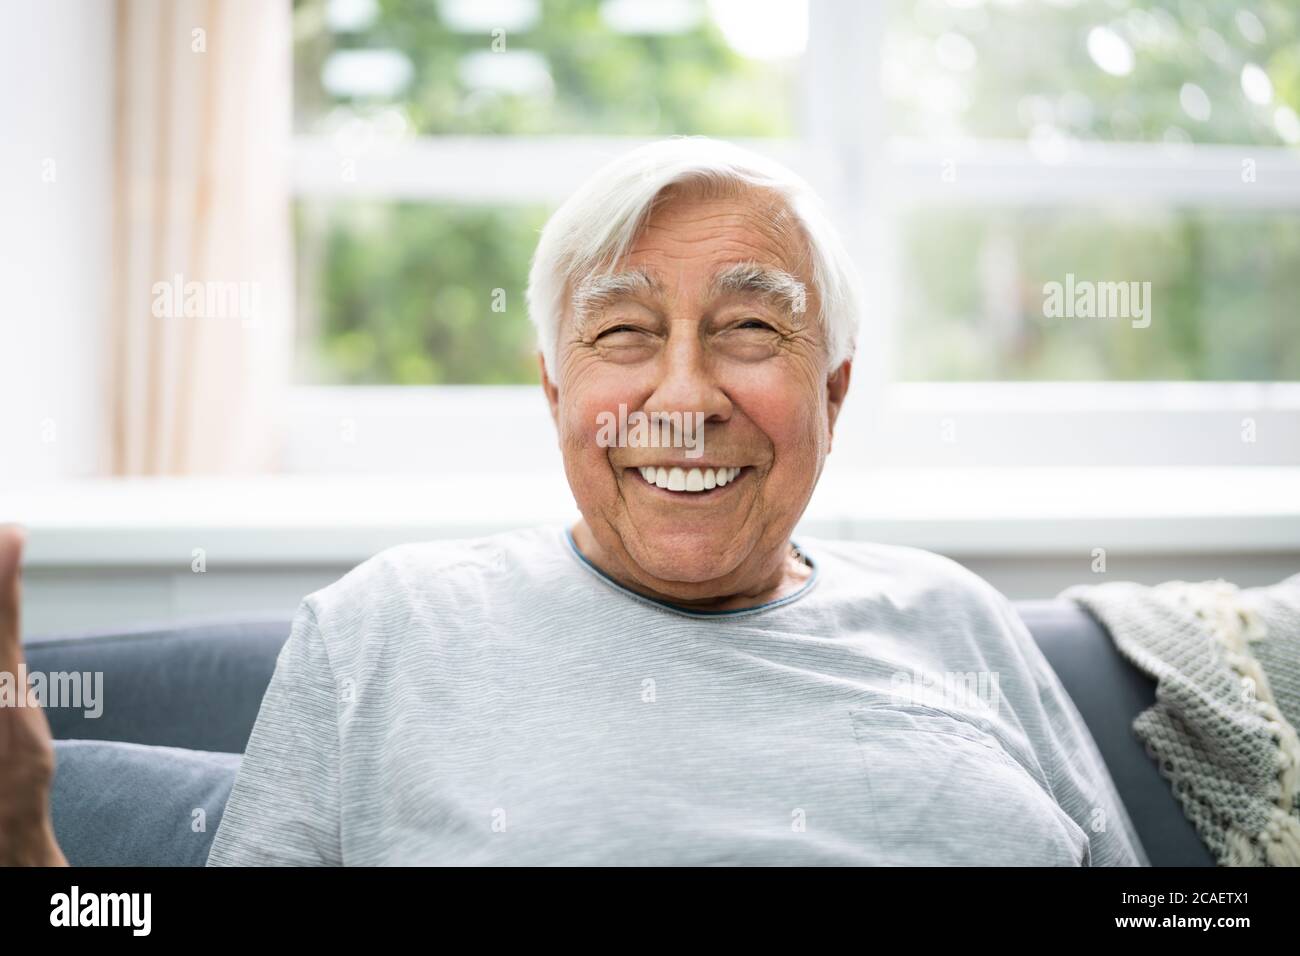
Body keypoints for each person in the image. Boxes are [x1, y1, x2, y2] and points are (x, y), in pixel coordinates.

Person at [0, 137, 1148, 866]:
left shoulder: (956, 614)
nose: (685, 396)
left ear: (833, 387)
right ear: (556, 388)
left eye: (750, 328)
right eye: (623, 333)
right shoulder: (384, 628)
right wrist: (29, 845)